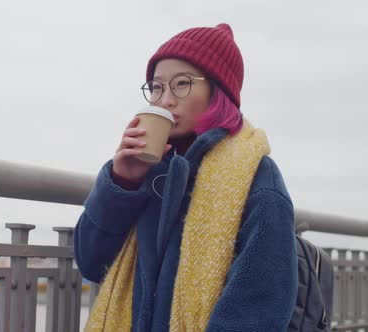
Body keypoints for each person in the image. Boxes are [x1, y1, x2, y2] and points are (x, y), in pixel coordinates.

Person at [74, 23, 298, 331]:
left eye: (182, 84)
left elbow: (259, 305)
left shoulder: (256, 177)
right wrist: (121, 182)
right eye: (155, 86)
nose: (165, 99)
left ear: (216, 92)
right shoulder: (147, 170)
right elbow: (91, 262)